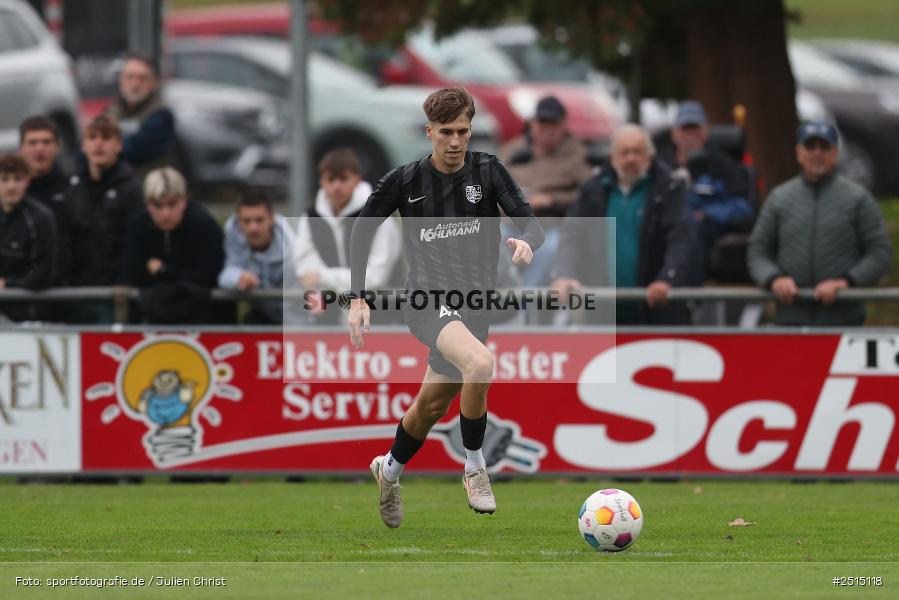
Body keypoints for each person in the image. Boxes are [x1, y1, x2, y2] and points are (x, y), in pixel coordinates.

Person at [347, 87, 544, 528]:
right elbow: (362, 230)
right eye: (446, 133)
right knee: (480, 363)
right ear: (429, 131)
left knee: (430, 407)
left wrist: (526, 243)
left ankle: (389, 470)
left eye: (464, 132)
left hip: (476, 307)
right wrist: (357, 297)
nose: (456, 142)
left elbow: (531, 223)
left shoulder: (488, 171)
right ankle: (475, 466)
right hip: (425, 301)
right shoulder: (405, 180)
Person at [747, 121, 892, 326]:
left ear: (835, 153)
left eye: (824, 147)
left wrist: (846, 282)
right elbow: (757, 250)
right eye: (810, 146)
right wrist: (774, 279)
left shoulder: (858, 198)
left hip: (842, 323)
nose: (817, 153)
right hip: (790, 321)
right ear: (799, 153)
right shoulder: (779, 198)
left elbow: (880, 251)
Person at [550, 124, 695, 325]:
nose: (631, 158)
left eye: (638, 152)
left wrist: (667, 278)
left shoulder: (669, 188)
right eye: (624, 152)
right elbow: (571, 236)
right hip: (601, 315)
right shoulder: (593, 190)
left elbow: (681, 238)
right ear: (612, 157)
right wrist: (564, 274)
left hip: (654, 312)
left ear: (650, 155)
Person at [293, 148, 401, 323]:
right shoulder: (310, 217)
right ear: (321, 182)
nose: (337, 186)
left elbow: (375, 278)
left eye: (343, 179)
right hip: (328, 321)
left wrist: (324, 278)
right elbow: (305, 270)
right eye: (330, 179)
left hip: (380, 319)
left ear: (357, 180)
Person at [499, 95, 592, 286]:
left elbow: (589, 194)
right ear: (533, 124)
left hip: (549, 225)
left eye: (553, 125)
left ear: (564, 125)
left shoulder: (576, 153)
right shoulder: (513, 150)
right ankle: (504, 291)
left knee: (552, 247)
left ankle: (527, 297)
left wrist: (551, 199)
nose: (547, 131)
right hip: (509, 221)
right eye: (542, 124)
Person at [661, 100, 753, 281]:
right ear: (674, 134)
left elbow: (743, 207)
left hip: (705, 234)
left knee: (692, 230)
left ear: (706, 132)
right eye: (685, 129)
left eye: (695, 129)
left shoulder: (726, 167)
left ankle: (691, 295)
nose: (690, 135)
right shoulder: (662, 168)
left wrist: (706, 214)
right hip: (667, 230)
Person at [65, 116, 143, 322]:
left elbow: (134, 244)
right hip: (75, 294)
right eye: (92, 137)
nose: (98, 143)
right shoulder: (72, 187)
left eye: (106, 138)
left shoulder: (132, 189)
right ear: (83, 145)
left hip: (113, 296)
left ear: (119, 145)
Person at [123, 167, 224, 324]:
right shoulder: (137, 225)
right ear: (148, 204)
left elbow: (208, 276)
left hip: (201, 319)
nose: (166, 214)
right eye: (158, 206)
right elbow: (133, 275)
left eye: (172, 205)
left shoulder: (203, 225)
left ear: (184, 201)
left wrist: (163, 271)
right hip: (150, 318)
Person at [219, 193, 296, 324]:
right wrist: (238, 278)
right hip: (262, 316)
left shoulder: (293, 248)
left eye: (259, 220)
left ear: (272, 218)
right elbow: (225, 274)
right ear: (238, 222)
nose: (253, 228)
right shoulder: (234, 236)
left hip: (297, 322)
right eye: (246, 221)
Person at [0, 153, 58, 322]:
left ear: (27, 180)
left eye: (17, 179)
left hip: (30, 317)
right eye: (4, 179)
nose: (11, 186)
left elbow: (44, 274)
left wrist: (6, 285)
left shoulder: (40, 218)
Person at [104, 52, 176, 180]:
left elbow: (136, 149)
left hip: (148, 191)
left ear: (154, 82)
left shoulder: (161, 114)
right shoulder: (110, 111)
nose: (135, 84)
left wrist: (104, 147)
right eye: (130, 77)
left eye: (142, 78)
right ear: (121, 80)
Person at [20, 116, 71, 286]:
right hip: (17, 290)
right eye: (33, 143)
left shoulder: (72, 189)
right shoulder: (11, 193)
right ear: (21, 148)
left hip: (64, 290)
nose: (40, 148)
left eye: (46, 142)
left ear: (57, 146)